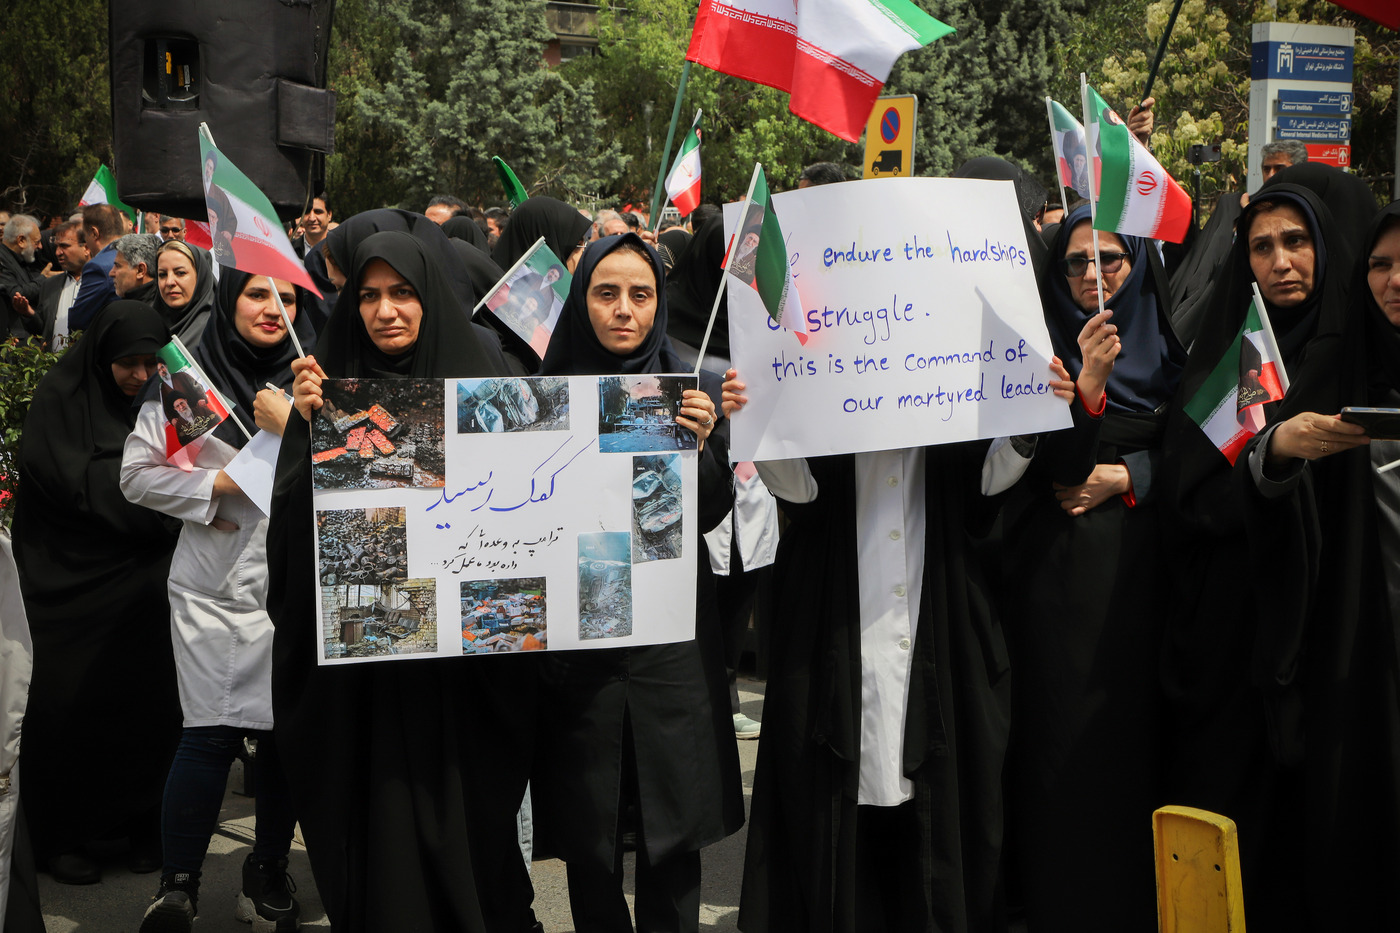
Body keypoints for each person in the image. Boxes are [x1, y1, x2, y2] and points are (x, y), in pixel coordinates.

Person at [267, 229, 536, 932]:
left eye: (403, 293)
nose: (385, 311)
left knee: (474, 841)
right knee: (383, 844)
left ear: (431, 299)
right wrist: (312, 433)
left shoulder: (483, 385)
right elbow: (291, 545)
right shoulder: (328, 395)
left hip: (466, 678)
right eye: (369, 295)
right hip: (369, 684)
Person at [1159, 170, 1376, 930]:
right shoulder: (1235, 355)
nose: (1281, 261)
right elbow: (1187, 491)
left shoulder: (1362, 355)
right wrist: (1270, 457)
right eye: (1261, 246)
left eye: (1296, 241)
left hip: (1336, 636)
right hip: (1235, 643)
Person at [530, 232, 741, 933]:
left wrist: (703, 447)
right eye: (606, 292)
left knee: (673, 835)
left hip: (668, 653)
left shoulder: (686, 392)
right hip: (577, 659)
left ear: (659, 304)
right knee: (588, 841)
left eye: (641, 294)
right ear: (580, 300)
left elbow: (709, 513)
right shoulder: (539, 397)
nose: (625, 309)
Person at [1002, 202, 1186, 933]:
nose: (1092, 275)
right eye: (1076, 261)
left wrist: (1132, 474)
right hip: (1055, 583)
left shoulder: (1172, 346)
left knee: (1132, 747)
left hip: (1145, 584)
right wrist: (1086, 387)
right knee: (1060, 746)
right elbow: (1048, 469)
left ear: (1136, 264)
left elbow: (1204, 455)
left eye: (1108, 258)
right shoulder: (1037, 349)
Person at [120, 271, 316, 933]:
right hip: (214, 593)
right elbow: (136, 477)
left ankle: (267, 871)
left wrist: (297, 425)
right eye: (256, 293)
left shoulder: (317, 379)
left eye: (287, 297)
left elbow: (364, 470)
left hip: (295, 590)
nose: (272, 308)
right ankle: (177, 886)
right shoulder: (188, 383)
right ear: (230, 301)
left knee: (284, 741)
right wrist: (218, 487)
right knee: (208, 736)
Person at [1232, 200, 1399, 929]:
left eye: (1296, 241)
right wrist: (1276, 449)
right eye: (1381, 265)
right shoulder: (1342, 365)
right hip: (1359, 649)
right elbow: (1267, 483)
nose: (1395, 281)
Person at [11, 302, 182, 885]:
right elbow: (79, 486)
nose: (140, 375)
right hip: (70, 587)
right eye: (127, 363)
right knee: (69, 707)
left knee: (147, 706)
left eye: (151, 364)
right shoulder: (60, 403)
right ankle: (65, 835)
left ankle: (141, 824)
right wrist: (168, 502)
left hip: (142, 587)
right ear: (101, 357)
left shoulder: (165, 403)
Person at [154, 239, 217, 344]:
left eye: (180, 273)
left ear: (200, 277)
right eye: (162, 274)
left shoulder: (216, 331)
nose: (169, 282)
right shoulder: (149, 324)